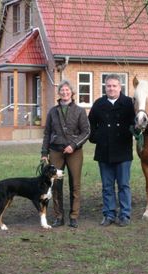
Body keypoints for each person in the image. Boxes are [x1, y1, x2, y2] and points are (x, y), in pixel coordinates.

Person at [41, 79, 90, 228]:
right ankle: (58, 216)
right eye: (62, 90)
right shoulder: (52, 111)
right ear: (59, 93)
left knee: (75, 184)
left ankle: (74, 216)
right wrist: (44, 152)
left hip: (74, 152)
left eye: (67, 90)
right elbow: (47, 133)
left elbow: (86, 132)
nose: (64, 92)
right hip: (55, 151)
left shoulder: (80, 111)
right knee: (55, 185)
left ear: (72, 92)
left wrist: (74, 145)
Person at [88, 74, 135, 227]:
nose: (111, 88)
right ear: (105, 87)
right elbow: (90, 126)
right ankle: (109, 214)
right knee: (107, 186)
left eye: (114, 86)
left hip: (123, 151)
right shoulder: (98, 104)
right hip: (104, 151)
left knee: (123, 185)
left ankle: (125, 215)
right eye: (108, 86)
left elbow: (136, 124)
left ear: (120, 87)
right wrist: (97, 138)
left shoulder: (128, 103)